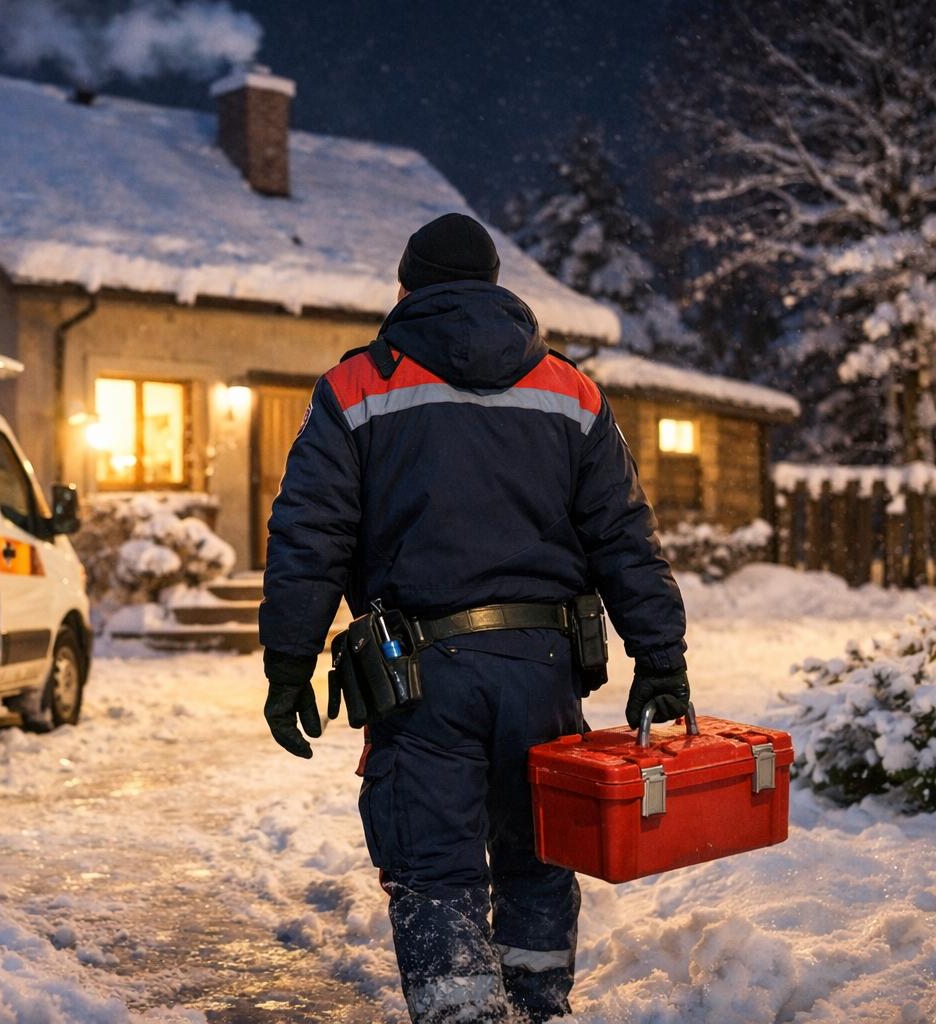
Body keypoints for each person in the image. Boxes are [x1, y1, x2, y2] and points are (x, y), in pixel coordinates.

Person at [259, 213, 689, 1023]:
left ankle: (463, 1015)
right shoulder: (570, 390)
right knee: (536, 853)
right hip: (543, 669)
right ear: (495, 287)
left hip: (420, 676)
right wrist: (662, 658)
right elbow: (624, 534)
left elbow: (309, 534)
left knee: (434, 867)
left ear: (405, 288)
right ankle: (536, 1006)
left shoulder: (357, 387)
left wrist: (288, 662)